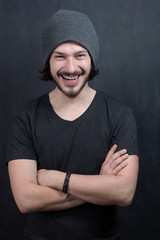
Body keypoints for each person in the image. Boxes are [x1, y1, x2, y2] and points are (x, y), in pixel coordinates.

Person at [6, 10, 139, 240]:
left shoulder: (119, 115)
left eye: (79, 55)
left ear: (91, 58)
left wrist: (57, 179)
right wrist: (99, 184)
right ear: (48, 60)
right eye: (59, 56)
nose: (70, 68)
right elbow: (25, 200)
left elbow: (124, 192)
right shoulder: (25, 118)